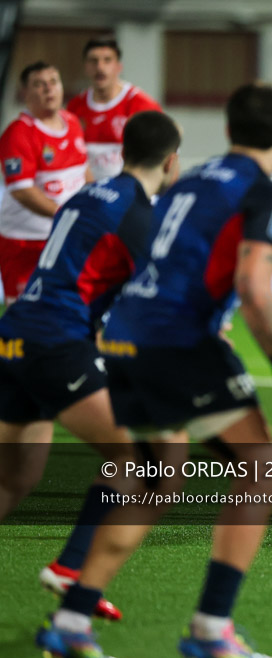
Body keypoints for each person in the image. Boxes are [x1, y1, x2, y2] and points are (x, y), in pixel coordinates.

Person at [35, 83, 272, 658]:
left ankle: (71, 618)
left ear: (231, 128)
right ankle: (212, 627)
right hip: (177, 340)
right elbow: (254, 288)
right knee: (261, 471)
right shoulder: (262, 196)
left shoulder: (190, 180)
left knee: (157, 479)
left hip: (123, 336)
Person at [0, 110, 181, 622]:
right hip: (56, 345)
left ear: (123, 151)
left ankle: (72, 571)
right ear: (171, 162)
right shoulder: (138, 214)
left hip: (14, 337)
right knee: (145, 458)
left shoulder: (83, 195)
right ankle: (72, 569)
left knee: (13, 479)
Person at [0, 62, 89, 303]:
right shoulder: (18, 133)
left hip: (66, 236)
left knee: (71, 305)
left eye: (53, 82)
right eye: (39, 85)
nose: (48, 90)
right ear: (25, 92)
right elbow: (22, 191)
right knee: (23, 311)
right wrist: (66, 216)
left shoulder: (71, 122)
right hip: (26, 242)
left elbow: (84, 171)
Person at [67, 36, 162, 181]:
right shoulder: (74, 107)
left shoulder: (142, 105)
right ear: (86, 66)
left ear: (119, 66)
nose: (100, 67)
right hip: (87, 193)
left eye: (107, 60)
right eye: (94, 61)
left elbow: (163, 154)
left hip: (129, 194)